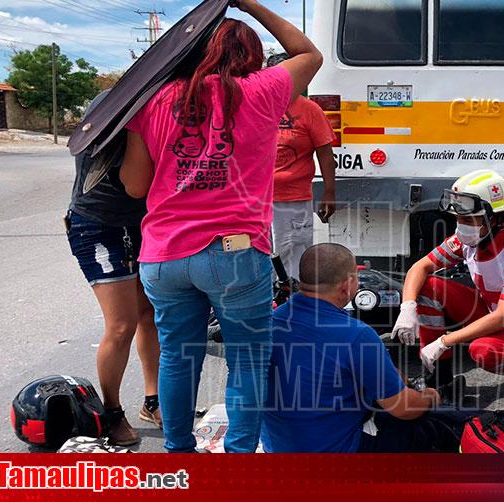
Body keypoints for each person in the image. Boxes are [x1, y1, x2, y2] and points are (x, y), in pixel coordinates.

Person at [119, 0, 323, 453]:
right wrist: (248, 4)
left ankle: (178, 454)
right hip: (234, 252)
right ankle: (239, 462)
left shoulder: (154, 99)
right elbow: (309, 53)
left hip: (163, 254)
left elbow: (134, 185)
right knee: (248, 361)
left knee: (176, 357)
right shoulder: (263, 90)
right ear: (251, 55)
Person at [262, 243, 461, 453]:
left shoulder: (271, 322)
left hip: (279, 447)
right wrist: (429, 397)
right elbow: (403, 409)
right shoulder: (356, 335)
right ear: (347, 285)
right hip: (337, 452)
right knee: (437, 427)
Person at [391, 169, 504, 402]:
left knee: (483, 351)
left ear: (493, 217)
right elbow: (420, 268)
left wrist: (445, 341)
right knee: (427, 287)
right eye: (457, 219)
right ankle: (439, 379)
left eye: (467, 220)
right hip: (493, 311)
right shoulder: (471, 239)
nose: (460, 226)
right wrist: (408, 307)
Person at [65, 90, 161, 446]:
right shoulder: (118, 104)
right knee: (121, 324)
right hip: (97, 225)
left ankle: (152, 402)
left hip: (136, 224)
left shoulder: (148, 100)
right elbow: (136, 185)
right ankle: (111, 413)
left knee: (147, 313)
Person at [267, 52, 338, 280]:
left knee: (295, 263)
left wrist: (329, 192)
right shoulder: (255, 106)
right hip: (257, 200)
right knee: (260, 260)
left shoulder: (309, 110)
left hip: (293, 201)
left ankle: (293, 307)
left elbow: (325, 154)